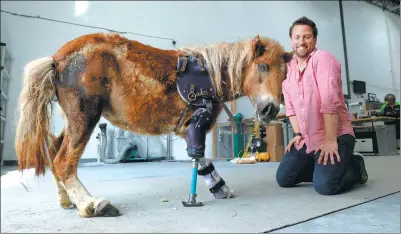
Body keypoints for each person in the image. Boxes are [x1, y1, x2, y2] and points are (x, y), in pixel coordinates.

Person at [276, 16, 368, 195]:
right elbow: (291, 106)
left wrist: (330, 140)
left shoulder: (323, 59)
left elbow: (329, 103)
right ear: (291, 40)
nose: (301, 42)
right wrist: (297, 134)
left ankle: (355, 168)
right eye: (297, 37)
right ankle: (323, 166)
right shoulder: (288, 69)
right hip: (308, 137)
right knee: (284, 178)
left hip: (336, 134)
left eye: (307, 37)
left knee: (326, 186)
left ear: (315, 40)